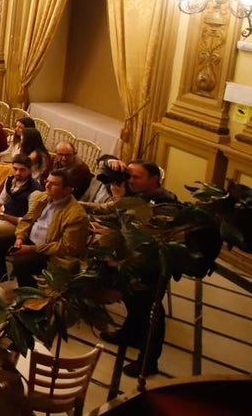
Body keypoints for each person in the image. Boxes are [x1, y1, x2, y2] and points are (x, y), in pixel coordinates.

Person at [99, 161, 178, 377]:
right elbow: (120, 220)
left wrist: (119, 201)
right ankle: (130, 334)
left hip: (151, 267)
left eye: (136, 177)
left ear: (154, 179)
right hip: (132, 263)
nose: (130, 181)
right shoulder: (140, 195)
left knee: (151, 313)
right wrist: (107, 162)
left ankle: (148, 362)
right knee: (133, 300)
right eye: (129, 176)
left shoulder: (165, 205)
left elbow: (135, 236)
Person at [8, 168, 89, 288]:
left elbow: (67, 248)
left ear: (67, 189)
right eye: (47, 181)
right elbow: (27, 220)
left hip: (49, 252)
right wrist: (19, 238)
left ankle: (30, 300)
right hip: (29, 242)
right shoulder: (42, 198)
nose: (47, 185)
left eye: (54, 184)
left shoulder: (76, 215)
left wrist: (31, 249)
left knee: (22, 263)